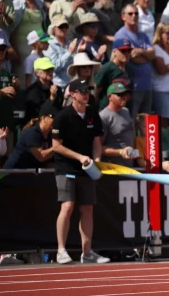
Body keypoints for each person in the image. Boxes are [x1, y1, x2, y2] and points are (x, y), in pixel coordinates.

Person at [51, 78, 109, 265]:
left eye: (88, 91)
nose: (86, 94)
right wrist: (79, 157)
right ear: (72, 94)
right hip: (66, 168)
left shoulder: (93, 113)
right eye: (82, 91)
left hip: (87, 169)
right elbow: (56, 147)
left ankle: (87, 252)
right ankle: (61, 250)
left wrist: (97, 161)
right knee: (67, 207)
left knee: (87, 209)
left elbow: (97, 143)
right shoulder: (62, 116)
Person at [3, 103, 57, 169]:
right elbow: (41, 156)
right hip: (14, 172)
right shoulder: (33, 132)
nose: (56, 119)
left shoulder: (50, 135)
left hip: (31, 172)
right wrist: (57, 147)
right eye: (53, 116)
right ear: (43, 118)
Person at [100, 83, 140, 166]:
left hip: (130, 166)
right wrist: (120, 152)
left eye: (125, 94)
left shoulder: (126, 111)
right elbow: (98, 148)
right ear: (109, 97)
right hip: (114, 168)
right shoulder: (103, 116)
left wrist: (138, 158)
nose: (124, 97)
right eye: (120, 95)